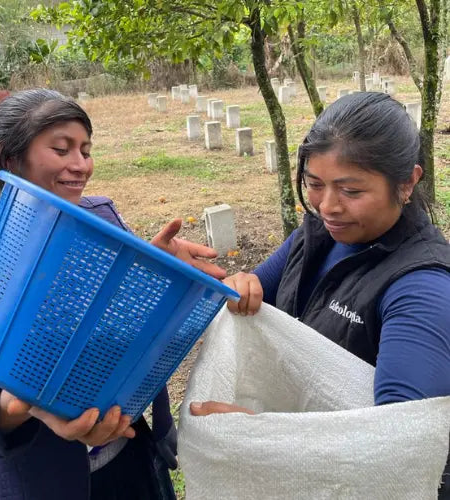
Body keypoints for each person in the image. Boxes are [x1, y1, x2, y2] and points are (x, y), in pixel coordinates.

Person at [0, 88, 227, 500]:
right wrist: (23, 404)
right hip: (37, 485)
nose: (81, 166)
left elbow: (122, 328)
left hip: (128, 465)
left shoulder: (104, 224)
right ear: (9, 158)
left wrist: (152, 271)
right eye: (62, 150)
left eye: (86, 150)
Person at [189, 92, 450, 497]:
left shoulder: (422, 287)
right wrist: (241, 285)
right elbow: (250, 293)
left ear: (407, 183)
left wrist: (263, 439)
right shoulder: (310, 240)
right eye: (314, 184)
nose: (327, 206)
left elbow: (398, 447)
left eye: (351, 191)